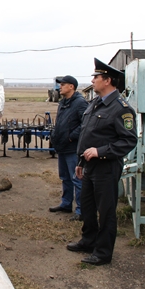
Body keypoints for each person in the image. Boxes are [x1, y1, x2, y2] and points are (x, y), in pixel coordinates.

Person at [66, 58, 137, 266]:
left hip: (106, 167)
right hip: (89, 166)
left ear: (107, 80)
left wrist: (100, 151)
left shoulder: (121, 108)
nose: (93, 80)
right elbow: (88, 136)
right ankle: (89, 241)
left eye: (96, 77)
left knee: (106, 211)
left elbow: (129, 140)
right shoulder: (96, 103)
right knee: (87, 207)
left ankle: (103, 252)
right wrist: (81, 162)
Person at [49, 75, 88, 221]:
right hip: (63, 146)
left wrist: (72, 136)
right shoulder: (63, 102)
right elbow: (60, 122)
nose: (60, 87)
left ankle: (81, 210)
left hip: (73, 148)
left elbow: (85, 123)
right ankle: (66, 204)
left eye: (63, 84)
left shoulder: (80, 103)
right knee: (65, 177)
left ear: (71, 86)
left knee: (77, 178)